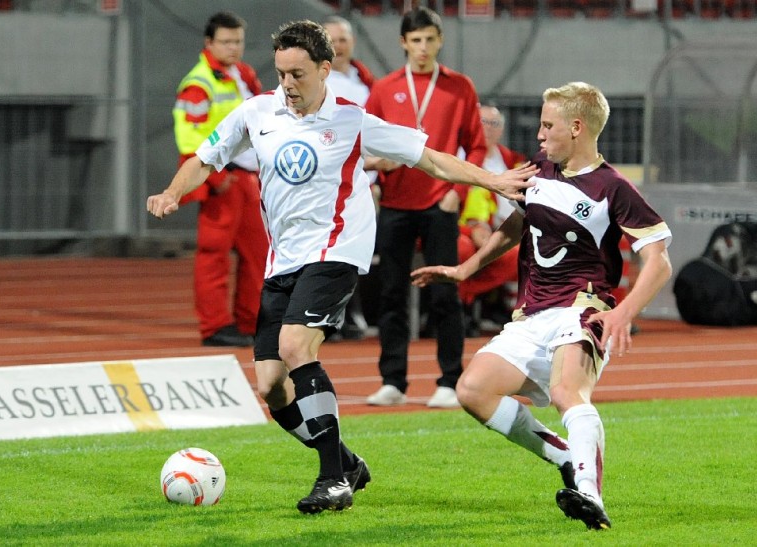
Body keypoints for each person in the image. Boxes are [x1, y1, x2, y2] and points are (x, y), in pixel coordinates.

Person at [147, 20, 535, 515]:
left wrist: (492, 181)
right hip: (282, 260)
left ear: (325, 69)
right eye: (282, 73)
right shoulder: (256, 111)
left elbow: (432, 160)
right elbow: (205, 157)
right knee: (271, 385)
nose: (288, 84)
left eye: (298, 74)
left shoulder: (353, 119)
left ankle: (333, 479)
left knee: (295, 346)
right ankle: (347, 461)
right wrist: (172, 192)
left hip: (335, 250)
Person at [410, 82, 673, 530]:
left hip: (582, 307)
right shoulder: (537, 171)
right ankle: (566, 457)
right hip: (531, 314)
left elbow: (659, 260)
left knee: (567, 393)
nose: (539, 134)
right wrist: (465, 269)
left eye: (548, 125)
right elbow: (517, 224)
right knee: (472, 391)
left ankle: (589, 492)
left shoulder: (612, 187)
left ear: (577, 127)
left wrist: (622, 313)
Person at [364, 6, 486, 409]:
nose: (422, 48)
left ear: (440, 41)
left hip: (440, 202)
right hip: (396, 202)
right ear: (403, 43)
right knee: (391, 293)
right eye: (415, 40)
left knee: (444, 293)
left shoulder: (460, 87)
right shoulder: (384, 88)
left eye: (429, 39)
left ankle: (450, 381)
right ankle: (393, 381)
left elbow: (477, 145)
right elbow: (366, 143)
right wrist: (377, 169)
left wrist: (459, 192)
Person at [173, 11, 268, 347]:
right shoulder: (199, 84)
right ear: (209, 43)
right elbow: (189, 137)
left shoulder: (243, 74)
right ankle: (214, 326)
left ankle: (250, 321)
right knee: (213, 255)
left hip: (248, 178)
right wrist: (216, 179)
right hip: (224, 181)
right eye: (226, 42)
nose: (233, 47)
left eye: (238, 41)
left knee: (259, 254)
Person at [321, 15, 375, 340]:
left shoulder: (364, 81)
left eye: (343, 40)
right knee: (329, 248)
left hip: (365, 180)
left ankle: (350, 311)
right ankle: (329, 314)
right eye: (332, 40)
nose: (339, 47)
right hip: (330, 181)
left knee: (357, 247)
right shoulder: (318, 82)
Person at [459, 105, 527, 336]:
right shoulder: (458, 155)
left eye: (494, 123)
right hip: (462, 227)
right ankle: (463, 306)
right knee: (463, 248)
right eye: (483, 122)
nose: (487, 128)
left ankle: (476, 299)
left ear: (502, 130)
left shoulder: (512, 160)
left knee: (519, 252)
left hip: (504, 227)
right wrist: (475, 227)